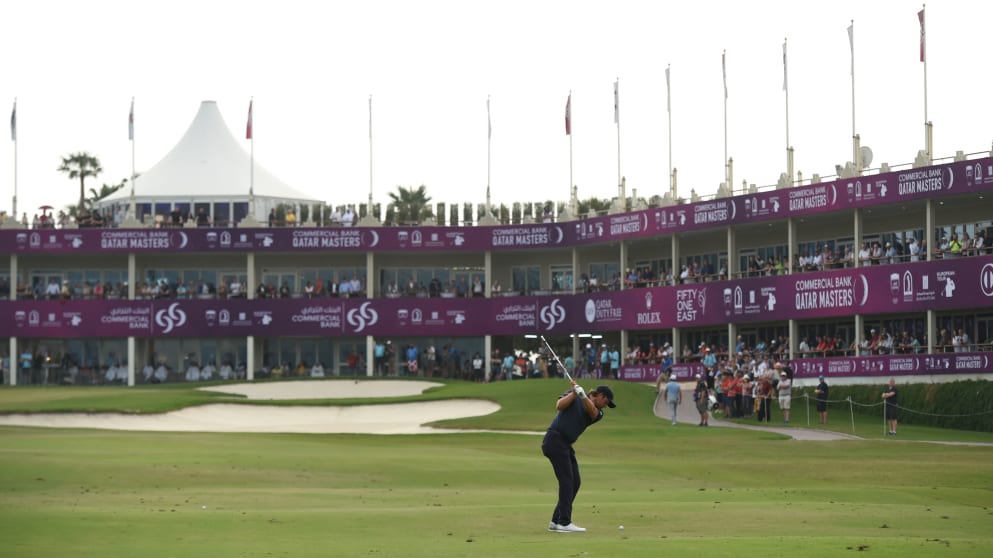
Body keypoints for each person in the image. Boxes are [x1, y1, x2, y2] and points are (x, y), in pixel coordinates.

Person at [542, 381, 615, 533]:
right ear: (600, 396)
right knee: (567, 481)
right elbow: (559, 406)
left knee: (575, 482)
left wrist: (582, 396)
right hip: (555, 440)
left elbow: (592, 412)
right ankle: (564, 522)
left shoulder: (598, 412)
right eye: (606, 402)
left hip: (566, 444)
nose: (606, 406)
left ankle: (556, 521)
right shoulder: (575, 395)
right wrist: (574, 393)